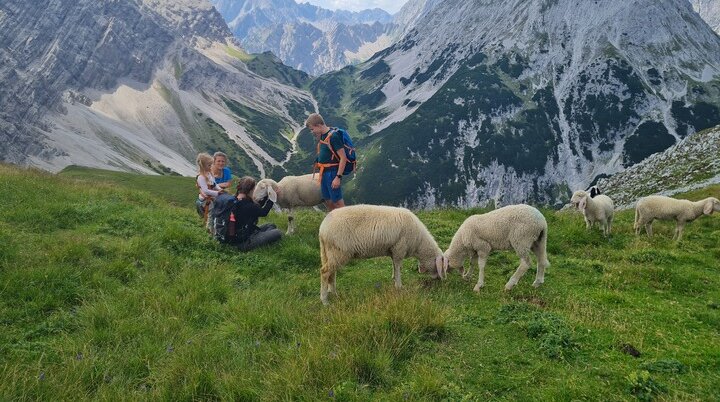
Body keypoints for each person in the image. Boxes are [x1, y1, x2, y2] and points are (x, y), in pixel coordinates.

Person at [306, 112, 347, 211]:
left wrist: (338, 177)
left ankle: (348, 223)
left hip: (332, 173)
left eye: (312, 129)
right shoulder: (323, 135)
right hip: (323, 173)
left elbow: (343, 158)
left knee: (337, 202)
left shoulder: (333, 136)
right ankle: (334, 224)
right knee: (328, 201)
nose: (312, 131)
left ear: (319, 125)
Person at [232, 176, 282, 251]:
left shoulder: (236, 199)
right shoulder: (247, 205)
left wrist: (266, 197)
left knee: (271, 225)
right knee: (278, 233)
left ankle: (262, 235)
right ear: (251, 190)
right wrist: (272, 198)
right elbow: (263, 212)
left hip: (241, 233)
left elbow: (256, 208)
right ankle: (260, 237)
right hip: (244, 241)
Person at [195, 152, 224, 224]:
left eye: (211, 164)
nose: (211, 166)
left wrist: (219, 189)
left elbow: (214, 184)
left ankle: (211, 223)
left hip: (211, 197)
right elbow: (205, 190)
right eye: (209, 165)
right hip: (205, 200)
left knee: (213, 212)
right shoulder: (201, 177)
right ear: (203, 166)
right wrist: (217, 193)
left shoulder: (209, 174)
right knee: (210, 214)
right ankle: (208, 226)